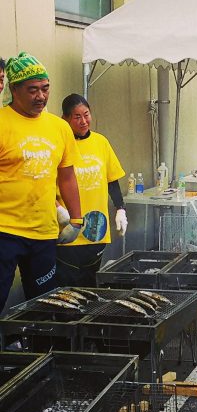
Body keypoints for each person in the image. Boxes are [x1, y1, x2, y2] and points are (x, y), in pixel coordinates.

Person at [0, 52, 82, 315]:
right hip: (4, 230)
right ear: (14, 89)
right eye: (32, 90)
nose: (41, 96)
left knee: (44, 304)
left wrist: (76, 219)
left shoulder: (59, 128)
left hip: (44, 232)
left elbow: (66, 176)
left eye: (45, 88)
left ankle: (39, 341)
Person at [54, 94, 128, 287]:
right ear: (65, 119)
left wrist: (120, 209)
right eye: (77, 117)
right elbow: (45, 184)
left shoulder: (101, 142)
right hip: (68, 228)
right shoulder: (59, 144)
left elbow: (112, 179)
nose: (83, 121)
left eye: (86, 114)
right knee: (67, 284)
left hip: (96, 227)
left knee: (89, 281)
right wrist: (58, 209)